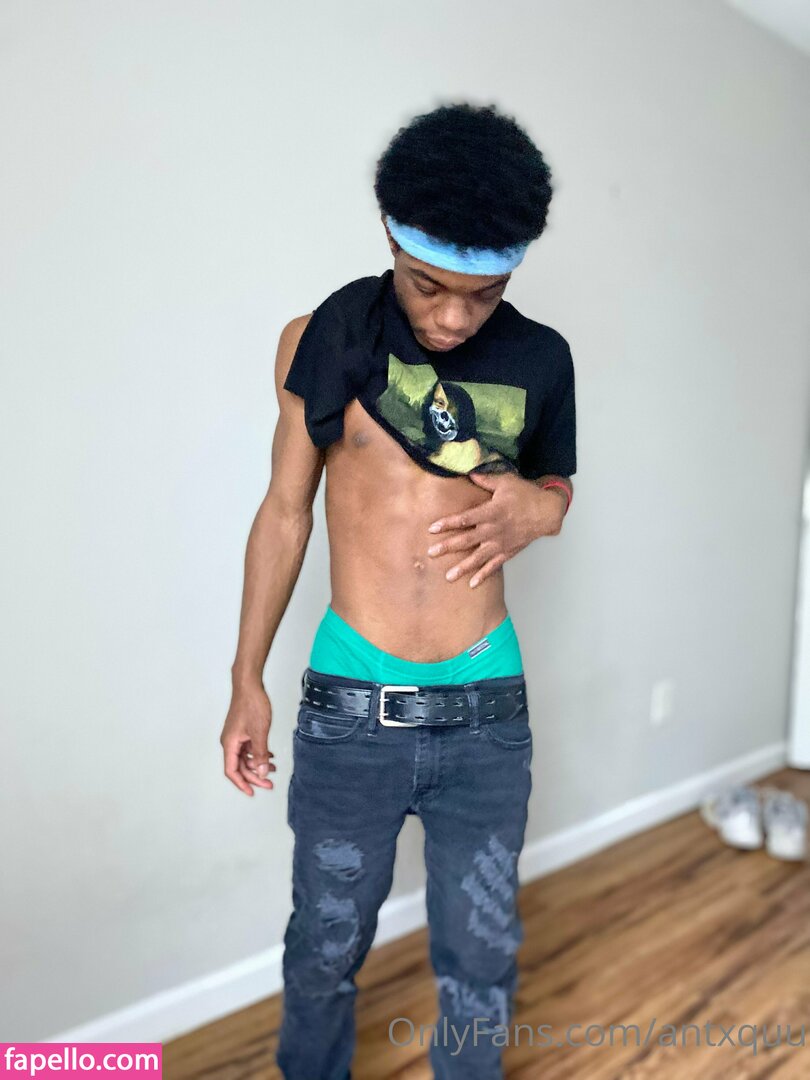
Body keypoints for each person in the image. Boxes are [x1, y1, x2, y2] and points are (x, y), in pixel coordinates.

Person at [220, 101, 577, 1079]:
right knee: (323, 949)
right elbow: (284, 512)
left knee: (481, 957)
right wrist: (246, 678)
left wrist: (541, 510)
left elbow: (555, 493)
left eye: (485, 294)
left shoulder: (542, 359)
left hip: (486, 706)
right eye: (429, 287)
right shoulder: (325, 335)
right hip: (352, 705)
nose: (454, 318)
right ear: (390, 238)